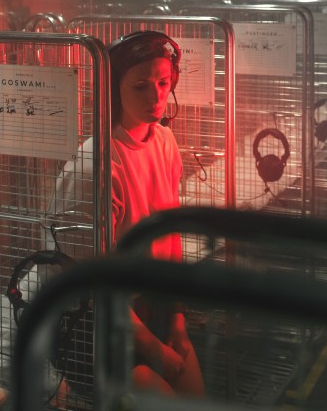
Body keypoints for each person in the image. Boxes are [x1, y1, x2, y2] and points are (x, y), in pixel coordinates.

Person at [48, 30, 204, 397]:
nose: (156, 97)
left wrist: (177, 319)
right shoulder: (97, 164)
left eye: (164, 83)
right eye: (140, 87)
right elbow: (86, 281)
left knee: (197, 398)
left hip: (153, 305)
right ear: (112, 89)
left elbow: (172, 231)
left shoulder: (164, 141)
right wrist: (152, 349)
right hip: (96, 325)